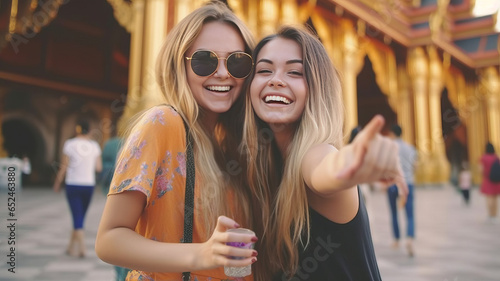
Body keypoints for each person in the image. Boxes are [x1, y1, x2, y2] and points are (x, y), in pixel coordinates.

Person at [95, 2, 258, 281]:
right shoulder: (163, 124)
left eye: (237, 62)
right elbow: (109, 239)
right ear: (179, 64)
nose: (222, 73)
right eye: (204, 60)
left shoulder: (239, 144)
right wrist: (202, 254)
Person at [241, 26, 407, 281]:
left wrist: (356, 161)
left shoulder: (315, 154)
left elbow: (327, 170)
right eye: (264, 70)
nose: (275, 80)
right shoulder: (259, 167)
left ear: (317, 89)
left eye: (295, 72)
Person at [53, 119, 102, 258]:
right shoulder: (94, 146)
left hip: (73, 185)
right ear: (90, 131)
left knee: (77, 217)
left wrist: (57, 182)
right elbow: (99, 167)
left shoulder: (70, 144)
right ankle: (70, 247)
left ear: (77, 129)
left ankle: (82, 249)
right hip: (89, 185)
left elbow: (64, 166)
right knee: (80, 217)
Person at [387, 123, 417, 257]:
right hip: (408, 183)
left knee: (394, 212)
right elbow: (415, 166)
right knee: (410, 214)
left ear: (392, 134)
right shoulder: (410, 148)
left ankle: (396, 240)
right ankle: (410, 238)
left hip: (393, 184)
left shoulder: (389, 149)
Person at [479, 142, 500, 222]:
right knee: (495, 199)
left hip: (488, 180)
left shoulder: (483, 158)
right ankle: (495, 215)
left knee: (489, 198)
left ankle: (490, 215)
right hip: (496, 180)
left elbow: (481, 169)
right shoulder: (496, 157)